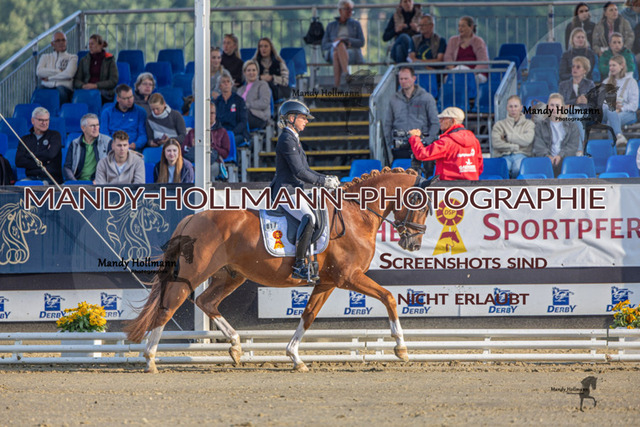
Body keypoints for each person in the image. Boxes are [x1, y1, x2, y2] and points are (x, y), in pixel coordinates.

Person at [269, 100, 340, 280]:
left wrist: (325, 178)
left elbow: (306, 170)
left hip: (294, 190)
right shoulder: (286, 139)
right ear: (291, 118)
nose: (306, 121)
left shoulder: (294, 139)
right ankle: (299, 265)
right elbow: (299, 172)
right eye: (303, 118)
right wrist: (323, 181)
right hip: (286, 192)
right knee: (309, 218)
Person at [383, 66, 439, 168]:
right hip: (400, 145)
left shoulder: (427, 98)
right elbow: (388, 123)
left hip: (421, 145)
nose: (403, 81)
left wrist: (427, 141)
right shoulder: (393, 99)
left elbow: (435, 123)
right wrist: (391, 143)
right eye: (401, 79)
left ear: (414, 78)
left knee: (422, 175)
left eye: (406, 78)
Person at [407, 107, 483, 181]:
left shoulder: (447, 141)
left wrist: (414, 137)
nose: (440, 121)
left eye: (443, 119)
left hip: (447, 185)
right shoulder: (474, 140)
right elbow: (479, 167)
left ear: (452, 121)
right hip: (471, 185)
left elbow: (422, 154)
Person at [532, 93, 581, 175]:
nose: (554, 108)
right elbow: (538, 145)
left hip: (565, 161)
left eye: (557, 105)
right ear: (548, 107)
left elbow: (572, 146)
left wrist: (560, 156)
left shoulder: (572, 126)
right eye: (552, 105)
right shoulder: (540, 126)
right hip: (546, 161)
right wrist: (548, 156)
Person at [322, 0, 365, 88]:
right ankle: (346, 74)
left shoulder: (356, 24)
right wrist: (335, 43)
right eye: (347, 9)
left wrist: (347, 40)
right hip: (333, 50)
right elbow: (324, 45)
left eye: (351, 9)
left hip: (351, 52)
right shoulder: (331, 26)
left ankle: (336, 86)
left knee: (337, 52)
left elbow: (361, 42)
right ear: (340, 10)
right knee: (338, 47)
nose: (350, 12)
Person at [183, 102, 230, 181]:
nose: (210, 115)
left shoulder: (222, 131)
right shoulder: (192, 132)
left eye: (212, 113)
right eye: (207, 113)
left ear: (215, 115)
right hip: (194, 160)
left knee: (207, 169)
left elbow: (225, 153)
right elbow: (182, 151)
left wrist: (211, 146)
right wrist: (193, 147)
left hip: (214, 162)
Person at [491, 95, 535, 178]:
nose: (513, 109)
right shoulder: (499, 125)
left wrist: (507, 137)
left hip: (522, 155)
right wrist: (514, 147)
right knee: (504, 168)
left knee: (517, 168)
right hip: (503, 155)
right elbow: (496, 143)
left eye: (516, 106)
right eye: (510, 106)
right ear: (507, 108)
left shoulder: (529, 124)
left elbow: (527, 140)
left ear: (521, 108)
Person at [15, 107, 62, 184]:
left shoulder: (55, 136)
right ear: (33, 120)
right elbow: (19, 161)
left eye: (47, 120)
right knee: (19, 185)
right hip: (31, 178)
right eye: (41, 120)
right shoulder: (25, 139)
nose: (44, 123)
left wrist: (28, 155)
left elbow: (50, 154)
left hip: (51, 179)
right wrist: (45, 161)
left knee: (41, 186)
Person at [601, 54, 639, 146]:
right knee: (610, 111)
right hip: (608, 112)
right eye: (610, 65)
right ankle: (619, 136)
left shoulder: (631, 82)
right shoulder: (606, 82)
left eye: (614, 65)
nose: (611, 68)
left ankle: (613, 149)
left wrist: (621, 108)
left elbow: (634, 105)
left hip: (627, 112)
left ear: (622, 66)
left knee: (611, 121)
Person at [63, 113, 111, 182]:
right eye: (92, 126)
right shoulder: (75, 143)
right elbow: (67, 167)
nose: (96, 128)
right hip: (77, 181)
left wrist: (100, 179)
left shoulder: (107, 141)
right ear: (83, 128)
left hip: (99, 182)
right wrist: (75, 183)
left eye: (97, 125)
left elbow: (112, 166)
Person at [558, 56, 595, 144]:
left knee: (574, 117)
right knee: (574, 116)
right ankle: (583, 143)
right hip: (567, 113)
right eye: (573, 66)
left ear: (584, 70)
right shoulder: (563, 85)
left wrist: (588, 101)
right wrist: (576, 101)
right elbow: (560, 103)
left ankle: (580, 145)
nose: (574, 69)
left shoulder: (589, 84)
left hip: (585, 114)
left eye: (578, 67)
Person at [101, 84, 148, 151]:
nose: (130, 100)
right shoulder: (107, 112)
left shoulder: (141, 112)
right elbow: (104, 134)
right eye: (126, 98)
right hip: (113, 149)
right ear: (118, 98)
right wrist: (114, 145)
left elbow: (143, 135)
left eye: (131, 97)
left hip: (133, 149)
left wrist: (136, 145)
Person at [73, 34, 118, 104]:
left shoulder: (109, 60)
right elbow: (76, 80)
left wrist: (96, 86)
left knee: (93, 96)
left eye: (92, 44)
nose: (90, 46)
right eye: (89, 44)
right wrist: (83, 85)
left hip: (103, 91)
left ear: (100, 45)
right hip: (86, 90)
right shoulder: (84, 60)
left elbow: (113, 81)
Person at [443, 16, 489, 83]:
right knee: (448, 80)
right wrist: (454, 70)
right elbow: (448, 58)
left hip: (475, 73)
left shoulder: (479, 41)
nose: (460, 28)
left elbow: (483, 61)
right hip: (456, 72)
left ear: (471, 27)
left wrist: (472, 73)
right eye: (459, 26)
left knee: (474, 80)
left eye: (463, 26)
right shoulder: (452, 40)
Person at [36, 31, 77, 104]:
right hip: (47, 86)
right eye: (58, 40)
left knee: (60, 91)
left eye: (63, 40)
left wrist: (49, 78)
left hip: (64, 88)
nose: (61, 42)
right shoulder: (45, 57)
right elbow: (39, 72)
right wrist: (59, 72)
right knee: (38, 91)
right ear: (52, 44)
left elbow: (69, 74)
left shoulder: (72, 57)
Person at [214, 71, 249, 145]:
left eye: (228, 81)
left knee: (227, 142)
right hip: (221, 134)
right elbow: (215, 121)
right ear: (220, 86)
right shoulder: (217, 102)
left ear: (231, 84)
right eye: (223, 82)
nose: (226, 84)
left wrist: (232, 133)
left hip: (236, 134)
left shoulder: (239, 100)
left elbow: (243, 121)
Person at [237, 60, 271, 131]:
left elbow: (264, 102)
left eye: (254, 70)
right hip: (243, 115)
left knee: (242, 116)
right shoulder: (240, 90)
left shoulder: (262, 85)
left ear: (257, 72)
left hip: (259, 116)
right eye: (248, 70)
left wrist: (247, 105)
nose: (251, 73)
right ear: (244, 72)